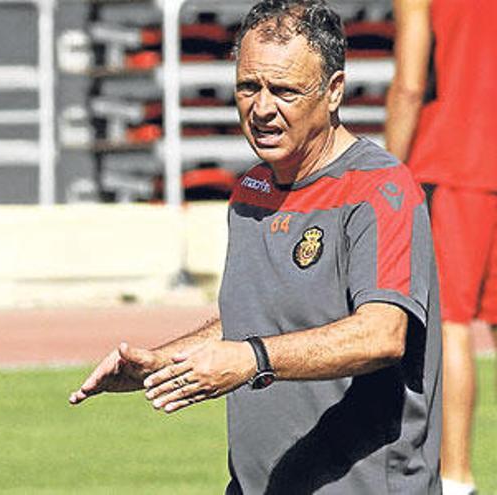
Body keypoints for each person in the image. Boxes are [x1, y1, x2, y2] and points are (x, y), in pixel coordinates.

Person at [70, 1, 443, 492]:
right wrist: (162, 363)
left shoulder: (380, 191)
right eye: (249, 86)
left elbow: (381, 334)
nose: (262, 108)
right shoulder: (252, 191)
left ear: (333, 93)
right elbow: (259, 318)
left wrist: (253, 360)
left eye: (285, 90)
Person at [385, 1, 497, 493]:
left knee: (449, 324)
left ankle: (454, 479)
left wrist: (384, 178)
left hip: (455, 158)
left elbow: (409, 85)